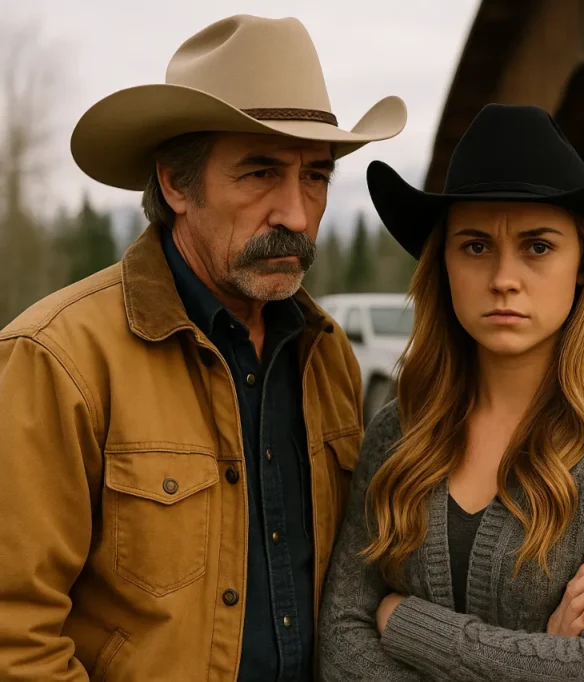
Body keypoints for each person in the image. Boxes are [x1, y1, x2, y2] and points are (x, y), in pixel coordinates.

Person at [0, 15, 406, 681]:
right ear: (175, 184)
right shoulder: (58, 361)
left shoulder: (326, 356)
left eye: (316, 177)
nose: (296, 213)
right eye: (260, 172)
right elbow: (14, 635)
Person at [317, 103, 584, 681]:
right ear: (443, 264)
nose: (503, 279)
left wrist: (403, 621)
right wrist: (538, 657)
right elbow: (341, 643)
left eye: (537, 246)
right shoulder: (398, 431)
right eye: (475, 246)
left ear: (581, 263)